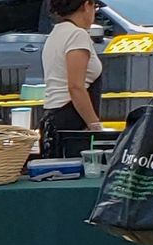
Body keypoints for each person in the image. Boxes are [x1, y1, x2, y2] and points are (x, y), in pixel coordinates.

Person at [40, 0, 104, 157]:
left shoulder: (56, 33)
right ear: (85, 5)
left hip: (54, 116)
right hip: (72, 120)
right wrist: (94, 125)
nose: (94, 13)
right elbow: (76, 86)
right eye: (94, 6)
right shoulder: (77, 35)